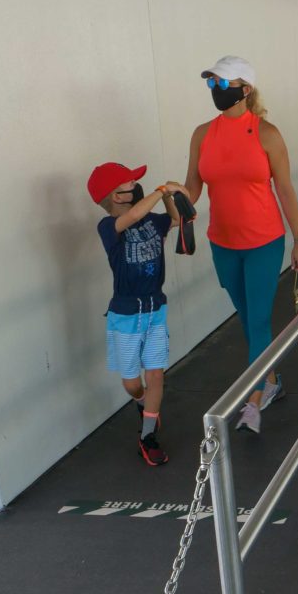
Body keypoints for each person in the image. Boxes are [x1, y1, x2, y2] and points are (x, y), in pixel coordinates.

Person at [184, 55, 298, 435]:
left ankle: (253, 402)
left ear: (245, 89)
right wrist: (177, 206)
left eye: (223, 84)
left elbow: (284, 188)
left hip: (264, 242)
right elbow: (193, 185)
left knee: (257, 320)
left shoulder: (267, 134)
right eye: (212, 84)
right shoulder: (203, 134)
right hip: (222, 243)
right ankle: (271, 379)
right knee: (247, 319)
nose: (216, 91)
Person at [88, 162, 187, 466]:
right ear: (115, 196)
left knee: (156, 373)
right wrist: (160, 191)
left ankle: (148, 435)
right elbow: (132, 216)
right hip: (127, 315)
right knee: (133, 383)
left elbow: (174, 219)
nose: (135, 186)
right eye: (129, 184)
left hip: (155, 308)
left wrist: (170, 196)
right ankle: (143, 403)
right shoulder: (108, 228)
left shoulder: (153, 222)